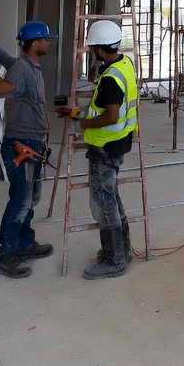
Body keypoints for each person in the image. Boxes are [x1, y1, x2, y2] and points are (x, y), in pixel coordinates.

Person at [0, 18, 58, 278]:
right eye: (46, 39)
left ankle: (25, 243)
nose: (48, 43)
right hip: (20, 145)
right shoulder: (22, 69)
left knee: (30, 199)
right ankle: (6, 255)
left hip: (33, 143)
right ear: (35, 43)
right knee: (20, 202)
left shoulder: (24, 64)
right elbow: (1, 92)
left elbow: (3, 57)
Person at [80, 19, 138, 280]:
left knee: (103, 203)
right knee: (111, 197)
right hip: (118, 143)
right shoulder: (123, 65)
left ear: (101, 50)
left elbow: (112, 115)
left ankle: (114, 260)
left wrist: (87, 122)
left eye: (94, 48)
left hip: (105, 146)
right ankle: (121, 251)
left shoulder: (111, 79)